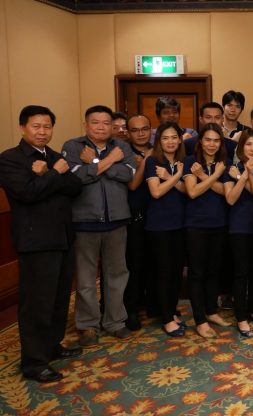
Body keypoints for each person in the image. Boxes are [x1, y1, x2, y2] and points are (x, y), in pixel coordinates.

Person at [0, 105, 83, 383]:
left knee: (59, 297)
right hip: (36, 241)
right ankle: (34, 362)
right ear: (23, 127)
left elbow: (75, 187)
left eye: (47, 126)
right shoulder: (10, 159)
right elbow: (27, 193)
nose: (42, 132)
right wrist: (53, 175)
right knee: (37, 302)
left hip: (62, 237)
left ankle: (51, 345)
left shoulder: (54, 157)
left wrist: (49, 172)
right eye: (36, 126)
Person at [62, 105, 138, 347]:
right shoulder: (73, 146)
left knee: (117, 275)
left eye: (106, 123)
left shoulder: (122, 147)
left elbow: (128, 174)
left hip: (117, 221)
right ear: (86, 124)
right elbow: (76, 177)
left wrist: (94, 163)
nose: (101, 127)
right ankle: (88, 325)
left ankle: (115, 322)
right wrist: (109, 162)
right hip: (85, 221)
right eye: (95, 122)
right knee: (85, 278)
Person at [183, 123, 230, 339]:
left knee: (214, 271)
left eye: (216, 140)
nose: (212, 144)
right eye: (208, 140)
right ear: (200, 141)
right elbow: (192, 192)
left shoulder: (223, 164)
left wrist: (204, 176)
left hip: (219, 223)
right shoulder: (190, 162)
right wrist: (211, 175)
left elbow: (225, 192)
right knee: (197, 273)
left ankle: (211, 311)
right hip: (196, 225)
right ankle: (200, 320)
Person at [223, 129, 253, 338]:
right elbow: (231, 198)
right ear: (241, 147)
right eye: (248, 144)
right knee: (240, 273)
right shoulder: (231, 168)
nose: (252, 148)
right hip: (239, 227)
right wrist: (242, 175)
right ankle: (241, 316)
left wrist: (247, 174)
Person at [144, 122, 187, 337]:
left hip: (180, 223)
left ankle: (171, 310)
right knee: (164, 271)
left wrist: (171, 176)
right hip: (159, 225)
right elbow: (156, 192)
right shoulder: (153, 161)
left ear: (179, 140)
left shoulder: (182, 162)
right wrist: (177, 176)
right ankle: (167, 318)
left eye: (173, 137)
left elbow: (187, 191)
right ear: (159, 141)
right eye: (165, 138)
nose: (170, 142)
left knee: (176, 271)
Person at [124, 114, 154, 331]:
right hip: (134, 215)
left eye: (144, 129)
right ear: (128, 132)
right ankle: (131, 310)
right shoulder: (122, 152)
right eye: (135, 130)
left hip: (158, 214)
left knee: (155, 263)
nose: (141, 133)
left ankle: (154, 305)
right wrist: (145, 162)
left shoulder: (159, 148)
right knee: (134, 264)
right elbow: (132, 185)